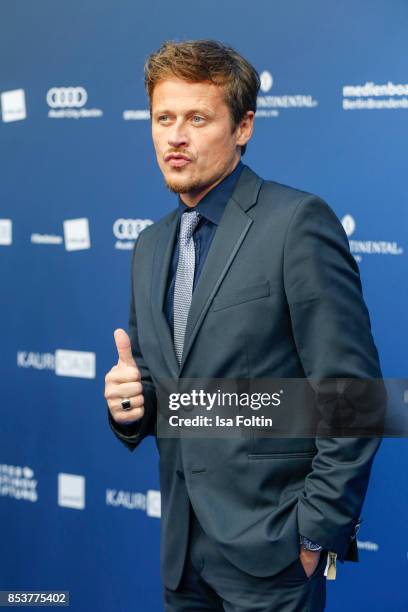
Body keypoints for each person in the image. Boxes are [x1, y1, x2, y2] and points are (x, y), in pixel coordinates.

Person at [104, 39, 383, 611]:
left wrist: (313, 533)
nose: (174, 136)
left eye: (197, 118)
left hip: (273, 553)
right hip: (183, 555)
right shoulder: (150, 244)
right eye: (163, 118)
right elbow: (170, 391)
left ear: (243, 126)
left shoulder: (296, 223)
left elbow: (353, 395)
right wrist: (132, 406)